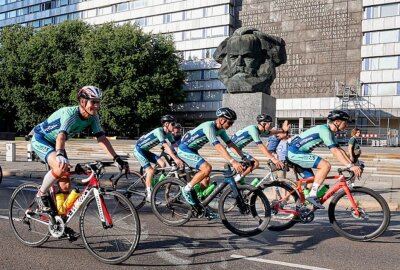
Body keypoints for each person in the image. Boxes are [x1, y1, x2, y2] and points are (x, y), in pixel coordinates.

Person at [32, 86, 128, 212]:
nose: (97, 106)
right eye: (93, 102)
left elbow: (102, 139)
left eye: (98, 102)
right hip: (42, 139)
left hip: (58, 144)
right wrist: (60, 154)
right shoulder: (70, 114)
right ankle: (41, 193)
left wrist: (117, 158)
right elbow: (61, 136)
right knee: (60, 167)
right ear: (83, 101)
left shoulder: (93, 117)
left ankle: (60, 221)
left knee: (65, 186)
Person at [287, 110, 362, 209]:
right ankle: (313, 195)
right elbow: (334, 151)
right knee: (326, 166)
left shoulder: (329, 132)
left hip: (299, 153)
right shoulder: (324, 130)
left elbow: (340, 150)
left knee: (312, 180)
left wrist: (352, 164)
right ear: (337, 122)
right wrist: (350, 166)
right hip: (295, 153)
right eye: (345, 122)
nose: (347, 125)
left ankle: (301, 208)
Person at [177, 107, 246, 205]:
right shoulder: (209, 126)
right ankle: (186, 189)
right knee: (207, 168)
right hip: (184, 149)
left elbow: (230, 144)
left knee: (206, 178)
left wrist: (244, 158)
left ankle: (199, 202)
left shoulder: (221, 130)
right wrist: (233, 161)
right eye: (230, 123)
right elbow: (218, 146)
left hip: (193, 150)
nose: (231, 125)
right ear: (221, 120)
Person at [133, 115, 184, 202]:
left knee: (162, 164)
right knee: (150, 170)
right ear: (166, 124)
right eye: (173, 124)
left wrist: (183, 155)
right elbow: (166, 147)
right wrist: (175, 158)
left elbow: (175, 146)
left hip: (145, 150)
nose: (174, 125)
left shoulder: (168, 134)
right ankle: (149, 194)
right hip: (139, 150)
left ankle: (151, 179)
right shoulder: (158, 131)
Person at [226, 114, 289, 180]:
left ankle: (239, 180)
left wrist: (282, 130)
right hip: (232, 150)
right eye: (270, 124)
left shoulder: (257, 130)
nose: (271, 126)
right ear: (264, 124)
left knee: (249, 165)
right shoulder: (253, 129)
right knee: (255, 163)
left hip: (236, 150)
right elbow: (261, 146)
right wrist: (274, 159)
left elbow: (270, 132)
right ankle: (236, 180)